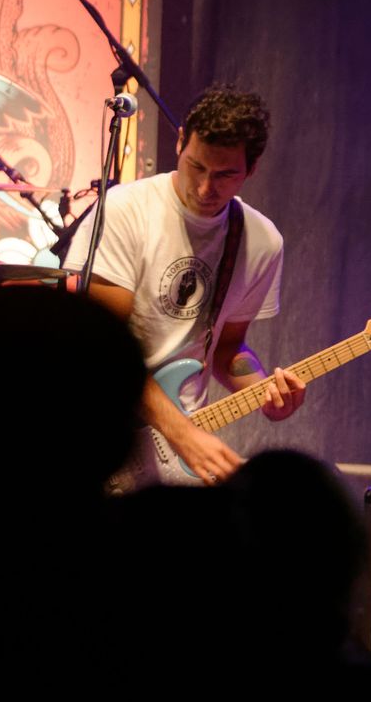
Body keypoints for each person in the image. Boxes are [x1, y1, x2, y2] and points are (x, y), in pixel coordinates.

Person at [68, 85, 304, 484]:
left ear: (252, 169)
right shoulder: (126, 211)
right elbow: (104, 348)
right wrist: (182, 434)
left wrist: (266, 391)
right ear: (180, 142)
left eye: (225, 174)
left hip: (178, 446)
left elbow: (227, 348)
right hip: (106, 433)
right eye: (196, 166)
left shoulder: (261, 241)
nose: (205, 188)